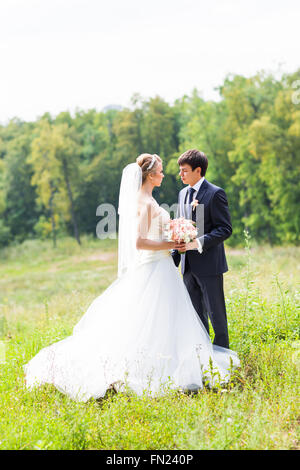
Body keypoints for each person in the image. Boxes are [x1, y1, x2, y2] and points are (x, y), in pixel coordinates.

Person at [24, 153, 239, 402]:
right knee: (156, 318)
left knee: (174, 318)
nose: (165, 174)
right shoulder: (146, 202)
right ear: (149, 175)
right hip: (158, 266)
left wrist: (182, 238)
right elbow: (140, 241)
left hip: (169, 264)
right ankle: (158, 367)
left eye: (179, 170)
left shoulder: (154, 198)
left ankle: (187, 358)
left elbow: (217, 228)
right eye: (160, 171)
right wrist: (174, 242)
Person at [172, 149, 232, 349]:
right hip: (188, 267)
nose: (181, 175)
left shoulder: (215, 193)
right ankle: (204, 361)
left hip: (209, 267)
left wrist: (198, 242)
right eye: (180, 171)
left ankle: (224, 360)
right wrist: (175, 255)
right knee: (196, 319)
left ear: (198, 170)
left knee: (217, 318)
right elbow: (181, 227)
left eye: (184, 171)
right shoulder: (182, 194)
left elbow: (225, 229)